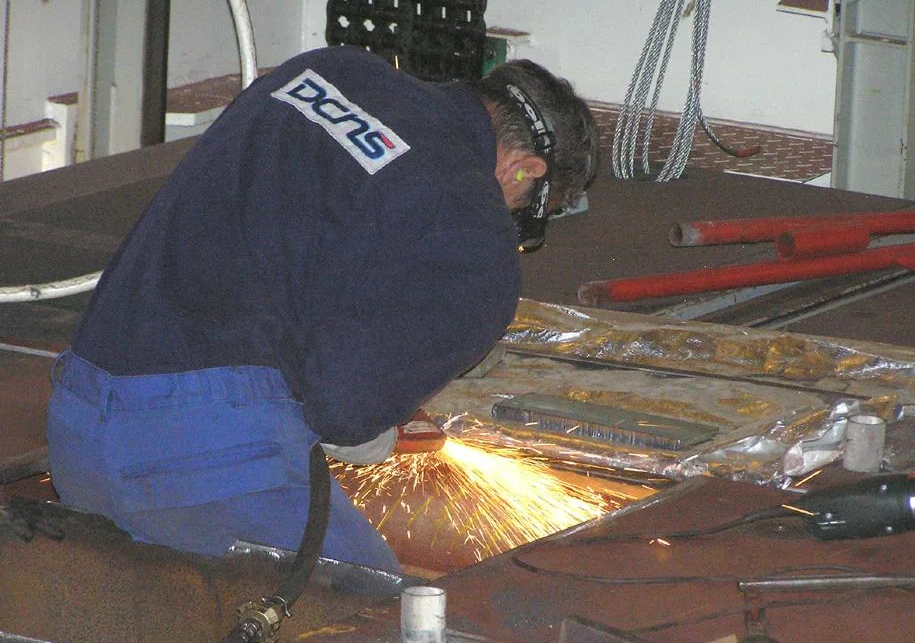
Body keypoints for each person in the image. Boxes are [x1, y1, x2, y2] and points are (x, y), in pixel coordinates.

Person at [45, 45, 599, 572]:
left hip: (77, 421)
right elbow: (341, 411)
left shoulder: (325, 71)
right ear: (525, 170)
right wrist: (384, 429)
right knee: (377, 632)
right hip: (199, 461)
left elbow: (300, 251)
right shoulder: (475, 231)